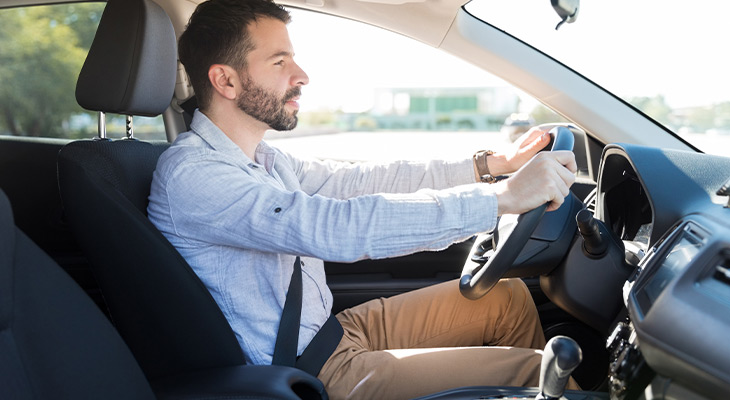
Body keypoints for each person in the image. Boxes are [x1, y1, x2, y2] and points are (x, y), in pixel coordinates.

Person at [147, 0, 578, 398]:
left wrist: (490, 167)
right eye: (280, 62)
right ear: (225, 79)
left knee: (507, 301)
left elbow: (363, 181)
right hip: (304, 369)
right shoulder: (194, 175)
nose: (301, 75)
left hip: (332, 332)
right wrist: (501, 200)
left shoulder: (266, 160)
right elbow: (337, 228)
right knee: (531, 371)